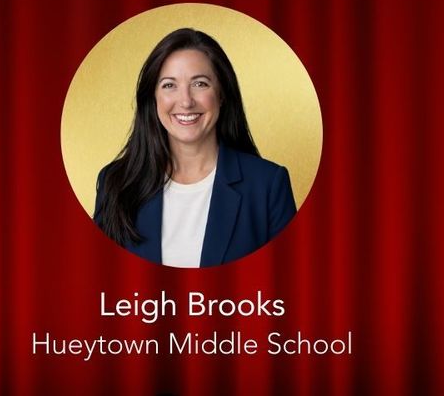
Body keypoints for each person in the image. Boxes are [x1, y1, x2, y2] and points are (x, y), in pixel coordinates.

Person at [95, 28, 296, 267]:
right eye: (169, 85)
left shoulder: (268, 185)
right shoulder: (115, 183)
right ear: (153, 98)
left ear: (221, 94)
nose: (186, 101)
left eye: (200, 83)